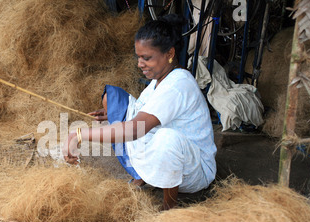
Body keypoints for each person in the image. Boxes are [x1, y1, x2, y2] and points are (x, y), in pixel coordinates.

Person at [63, 14, 217, 211]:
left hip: (194, 171)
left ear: (170, 53)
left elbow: (137, 128)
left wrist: (79, 134)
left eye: (147, 58)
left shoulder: (178, 84)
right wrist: (114, 113)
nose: (139, 64)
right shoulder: (159, 80)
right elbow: (142, 112)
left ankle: (169, 206)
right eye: (138, 57)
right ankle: (143, 174)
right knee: (114, 98)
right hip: (168, 146)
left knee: (166, 139)